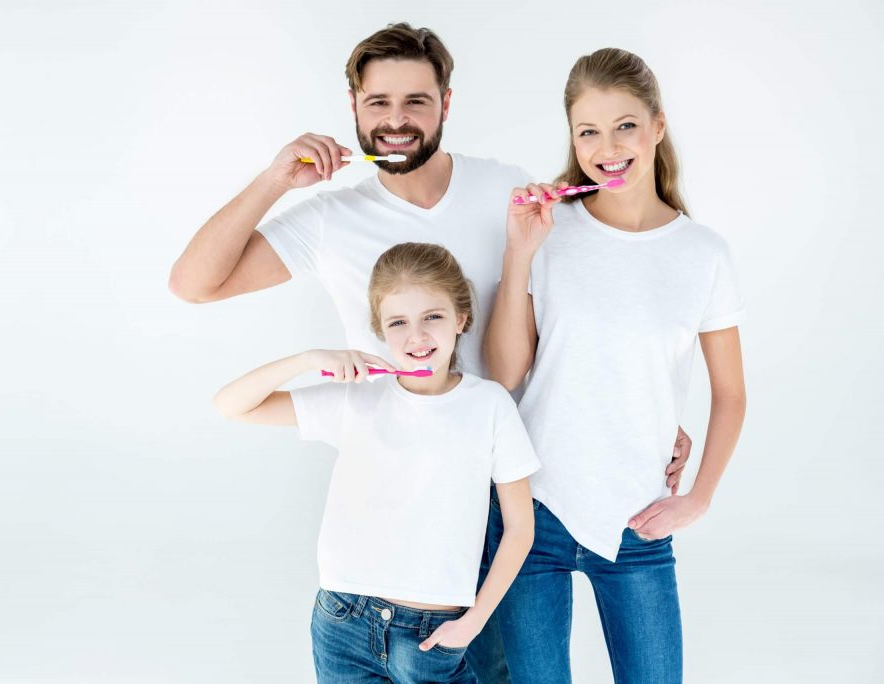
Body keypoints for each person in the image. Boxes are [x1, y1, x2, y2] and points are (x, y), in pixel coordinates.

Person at [171, 23, 692, 682]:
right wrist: (277, 178)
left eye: (416, 101)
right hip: (399, 518)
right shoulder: (330, 221)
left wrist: (645, 414)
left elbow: (579, 312)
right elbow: (193, 284)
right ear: (353, 111)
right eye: (378, 102)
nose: (396, 120)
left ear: (447, 103)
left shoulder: (503, 189)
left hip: (504, 507)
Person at [485, 48, 747, 683]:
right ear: (572, 139)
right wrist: (520, 254)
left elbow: (731, 394)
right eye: (588, 131)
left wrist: (701, 498)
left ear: (658, 126)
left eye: (625, 125)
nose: (608, 147)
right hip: (530, 513)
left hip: (638, 521)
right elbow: (502, 374)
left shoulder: (702, 253)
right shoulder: (549, 231)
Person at [213, 243, 539, 683]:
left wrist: (475, 621)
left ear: (461, 319)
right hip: (342, 620)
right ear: (380, 330)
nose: (416, 336)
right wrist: (309, 359)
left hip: (432, 633)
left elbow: (520, 526)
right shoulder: (357, 400)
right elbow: (231, 405)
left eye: (433, 317)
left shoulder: (489, 405)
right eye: (398, 322)